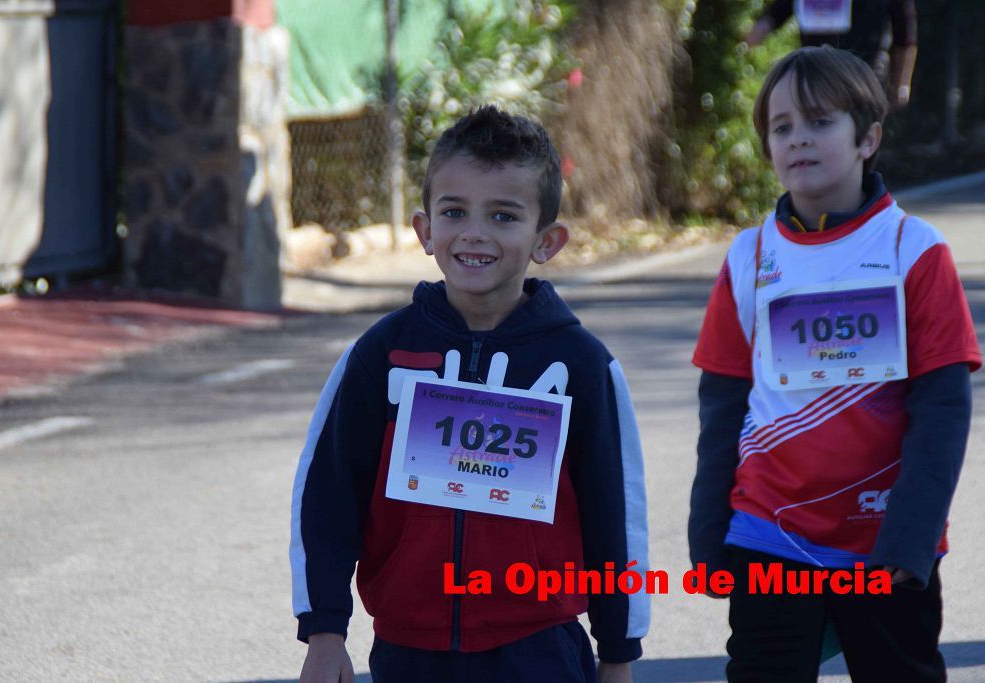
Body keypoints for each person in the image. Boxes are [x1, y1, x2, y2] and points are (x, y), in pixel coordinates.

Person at [290, 105, 649, 683]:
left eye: (504, 215)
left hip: (539, 649)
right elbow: (328, 495)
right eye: (454, 211)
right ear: (425, 230)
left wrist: (617, 655)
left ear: (546, 240)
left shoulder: (580, 365)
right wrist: (325, 632)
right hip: (408, 650)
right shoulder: (381, 356)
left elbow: (617, 514)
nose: (475, 233)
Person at [689, 46, 980, 682]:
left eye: (821, 122)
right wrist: (709, 534)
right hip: (769, 533)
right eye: (782, 126)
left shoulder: (915, 250)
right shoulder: (748, 256)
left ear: (867, 138)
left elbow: (943, 410)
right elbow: (723, 405)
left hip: (884, 543)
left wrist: (910, 537)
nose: (799, 140)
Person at [745, 0, 918, 110]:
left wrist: (901, 84)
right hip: (817, 75)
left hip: (865, 78)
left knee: (855, 140)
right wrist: (750, 39)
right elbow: (778, 11)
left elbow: (904, 35)